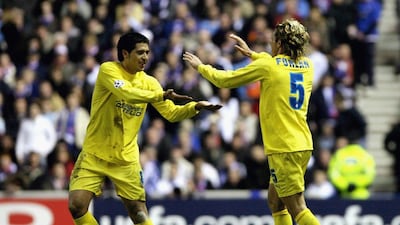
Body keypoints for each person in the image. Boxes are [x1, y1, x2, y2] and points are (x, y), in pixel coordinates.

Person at [68, 32, 222, 225]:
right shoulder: (108, 70)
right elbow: (126, 92)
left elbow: (171, 113)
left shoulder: (150, 83)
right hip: (94, 153)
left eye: (147, 52)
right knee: (76, 205)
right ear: (125, 53)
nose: (146, 57)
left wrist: (196, 107)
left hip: (126, 158)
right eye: (140, 52)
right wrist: (160, 96)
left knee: (138, 213)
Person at [183, 19, 320, 225]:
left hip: (284, 148)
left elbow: (225, 80)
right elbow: (277, 65)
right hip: (301, 144)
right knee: (275, 202)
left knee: (297, 207)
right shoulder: (307, 66)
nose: (270, 46)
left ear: (280, 45)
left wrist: (201, 67)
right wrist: (253, 55)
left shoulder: (268, 66)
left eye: (272, 41)